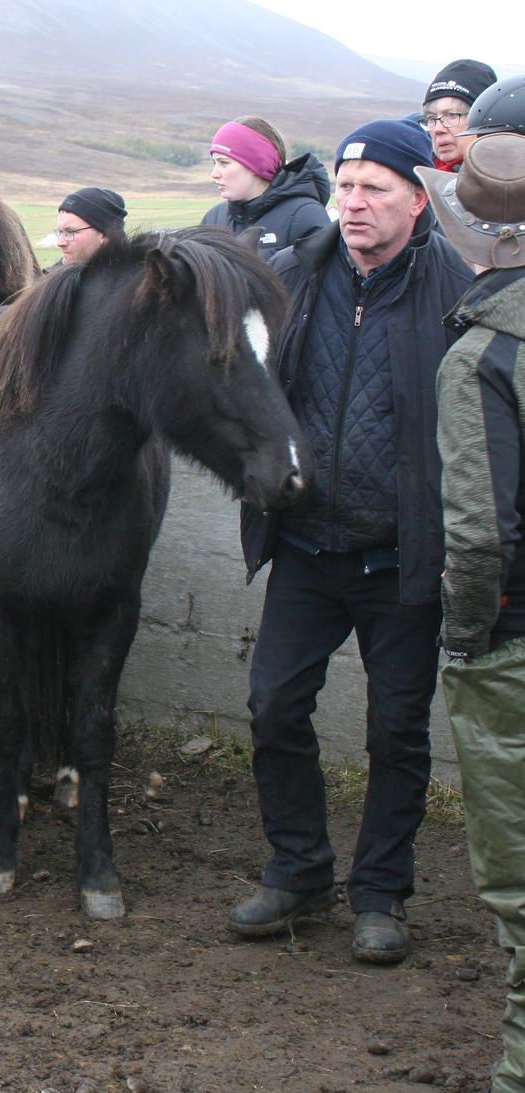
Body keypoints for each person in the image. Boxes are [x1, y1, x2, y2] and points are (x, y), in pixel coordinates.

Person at [229, 119, 474, 964]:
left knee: (397, 730)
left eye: (375, 186)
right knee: (273, 707)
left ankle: (381, 893)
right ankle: (298, 868)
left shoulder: (456, 289)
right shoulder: (298, 275)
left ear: (417, 195)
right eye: (345, 183)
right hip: (305, 545)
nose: (355, 201)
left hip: (401, 555)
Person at [419, 131, 525, 1090]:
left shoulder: (483, 356)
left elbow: (481, 533)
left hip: (516, 646)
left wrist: (463, 641)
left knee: (523, 886)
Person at [202, 117, 331, 260]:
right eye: (214, 163)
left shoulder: (305, 216)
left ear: (257, 164)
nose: (214, 174)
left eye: (224, 163)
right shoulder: (213, 218)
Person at [423, 59, 499, 173]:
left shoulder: (509, 182)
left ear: (484, 121)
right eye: (431, 118)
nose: (438, 129)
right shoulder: (419, 177)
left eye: (451, 115)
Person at [53, 186, 126, 266]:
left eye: (70, 232)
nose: (60, 243)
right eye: (60, 232)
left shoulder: (135, 277)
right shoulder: (48, 276)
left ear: (105, 235)